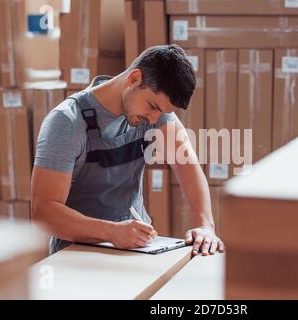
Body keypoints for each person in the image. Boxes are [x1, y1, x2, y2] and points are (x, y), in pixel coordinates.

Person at [31, 45, 225, 256]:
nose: (153, 119)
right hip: (76, 254)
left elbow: (186, 164)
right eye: (153, 106)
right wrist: (111, 232)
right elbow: (44, 212)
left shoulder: (155, 115)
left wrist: (205, 225)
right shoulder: (67, 122)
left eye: (161, 112)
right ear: (134, 79)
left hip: (138, 248)